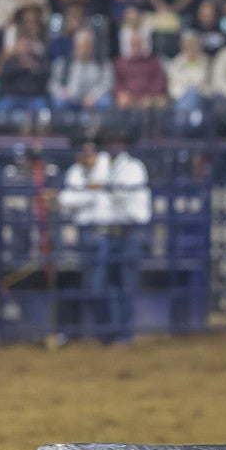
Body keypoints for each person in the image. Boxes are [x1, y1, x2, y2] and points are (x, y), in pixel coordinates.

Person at [55, 126, 150, 342]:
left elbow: (118, 196)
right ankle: (109, 333)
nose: (114, 144)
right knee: (98, 287)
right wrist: (97, 188)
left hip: (127, 231)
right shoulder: (99, 166)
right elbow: (74, 197)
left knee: (124, 287)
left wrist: (101, 187)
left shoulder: (131, 167)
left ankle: (123, 336)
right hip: (104, 234)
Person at [50, 26, 112, 107]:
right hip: (69, 99)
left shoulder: (103, 63)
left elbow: (107, 84)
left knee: (105, 101)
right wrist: (63, 93)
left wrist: (93, 96)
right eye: (81, 45)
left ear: (92, 45)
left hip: (93, 100)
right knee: (58, 101)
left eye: (87, 45)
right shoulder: (62, 63)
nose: (84, 49)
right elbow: (53, 84)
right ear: (75, 45)